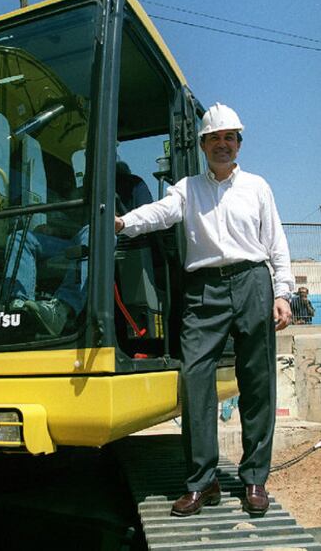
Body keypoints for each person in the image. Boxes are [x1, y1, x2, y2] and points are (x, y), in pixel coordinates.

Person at [115, 102, 293, 518]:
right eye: (214, 138)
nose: (222, 145)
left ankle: (254, 480)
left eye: (229, 138)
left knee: (258, 382)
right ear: (202, 144)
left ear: (239, 144)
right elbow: (159, 213)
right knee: (195, 380)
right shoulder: (187, 189)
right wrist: (123, 223)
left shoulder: (258, 187)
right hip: (204, 290)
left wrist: (282, 293)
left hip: (252, 282)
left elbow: (277, 243)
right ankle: (202, 482)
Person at [2, 161, 152, 336]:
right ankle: (17, 305)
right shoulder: (85, 190)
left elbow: (146, 217)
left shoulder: (133, 184)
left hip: (115, 241)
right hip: (75, 241)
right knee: (21, 237)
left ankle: (62, 309)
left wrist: (122, 221)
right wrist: (54, 229)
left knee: (94, 231)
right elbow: (72, 220)